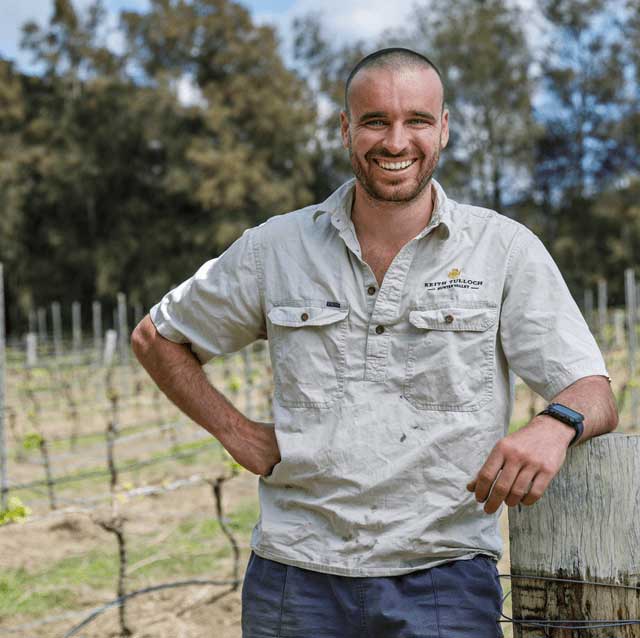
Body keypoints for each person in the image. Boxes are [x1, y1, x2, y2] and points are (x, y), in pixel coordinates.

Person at [132, 47, 618, 637]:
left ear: (443, 129)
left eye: (416, 120)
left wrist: (554, 423)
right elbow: (158, 337)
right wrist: (236, 433)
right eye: (374, 121)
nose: (395, 141)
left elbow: (593, 390)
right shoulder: (275, 249)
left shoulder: (504, 250)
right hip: (295, 576)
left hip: (444, 577)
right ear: (345, 129)